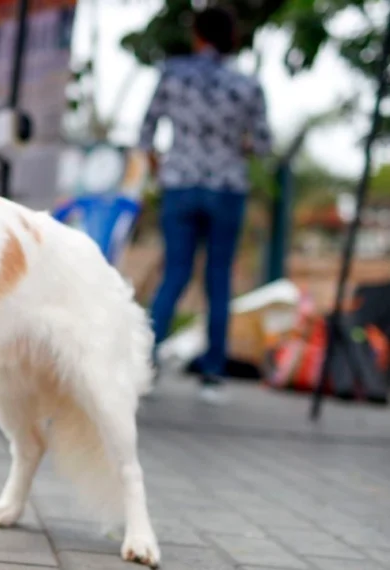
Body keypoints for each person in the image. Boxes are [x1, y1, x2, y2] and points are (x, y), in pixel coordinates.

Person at [138, 6, 272, 403]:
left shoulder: (173, 74)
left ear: (198, 34)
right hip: (227, 186)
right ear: (230, 37)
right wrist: (237, 146)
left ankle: (145, 363)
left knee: (175, 274)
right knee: (218, 280)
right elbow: (263, 144)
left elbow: (146, 132)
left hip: (180, 183)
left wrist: (162, 166)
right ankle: (212, 376)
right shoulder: (246, 84)